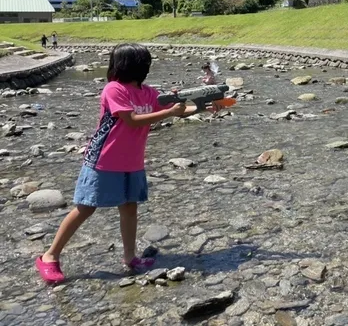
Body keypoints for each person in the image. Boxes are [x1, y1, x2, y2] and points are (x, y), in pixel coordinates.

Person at [35, 43, 214, 284]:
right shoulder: (114, 89)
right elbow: (132, 120)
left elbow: (176, 111)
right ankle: (50, 256)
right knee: (85, 207)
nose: (147, 67)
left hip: (132, 161)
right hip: (104, 159)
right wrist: (170, 112)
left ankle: (130, 257)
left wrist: (202, 107)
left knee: (130, 207)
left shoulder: (148, 92)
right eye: (145, 63)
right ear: (132, 66)